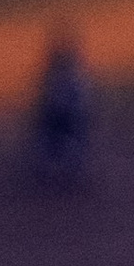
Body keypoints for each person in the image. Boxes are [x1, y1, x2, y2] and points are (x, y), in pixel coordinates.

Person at [24, 29, 96, 191]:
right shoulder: (61, 75)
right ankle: (56, 173)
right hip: (59, 115)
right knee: (55, 143)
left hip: (64, 115)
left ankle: (65, 173)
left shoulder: (64, 75)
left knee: (61, 143)